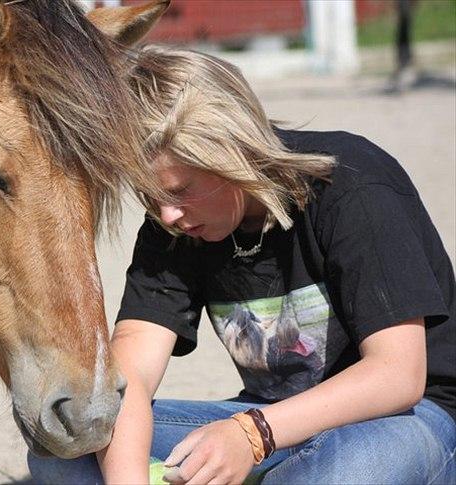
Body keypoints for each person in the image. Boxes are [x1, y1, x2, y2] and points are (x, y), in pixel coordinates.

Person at [28, 45, 456, 484]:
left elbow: (398, 375)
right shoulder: (173, 224)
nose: (167, 214)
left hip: (409, 418)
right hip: (267, 420)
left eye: (179, 189)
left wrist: (252, 436)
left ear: (229, 151)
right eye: (149, 197)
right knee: (66, 450)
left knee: (343, 473)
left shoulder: (352, 185)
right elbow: (131, 371)